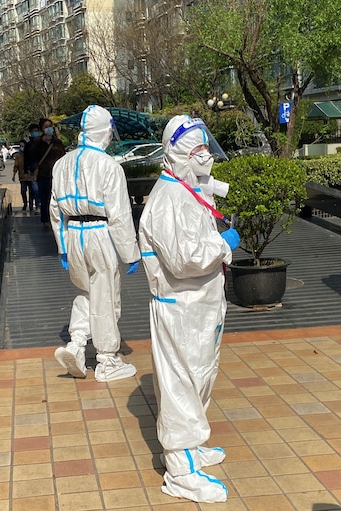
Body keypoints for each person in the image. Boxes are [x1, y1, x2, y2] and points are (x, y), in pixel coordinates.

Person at [138, 114, 238, 503]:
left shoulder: (185, 188)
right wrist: (225, 242)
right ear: (178, 154)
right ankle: (180, 469)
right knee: (181, 381)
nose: (207, 155)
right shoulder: (169, 199)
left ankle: (192, 446)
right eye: (199, 149)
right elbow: (185, 259)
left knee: (200, 375)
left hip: (200, 304)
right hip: (181, 305)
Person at [50, 105, 141, 382]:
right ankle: (107, 360)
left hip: (73, 233)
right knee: (106, 296)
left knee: (87, 292)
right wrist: (131, 252)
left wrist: (62, 245)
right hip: (99, 233)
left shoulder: (62, 163)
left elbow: (55, 209)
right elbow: (120, 215)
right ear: (105, 131)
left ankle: (76, 343)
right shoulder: (109, 166)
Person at [32, 119, 66, 228]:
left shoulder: (57, 142)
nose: (49, 128)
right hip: (44, 175)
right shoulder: (37, 143)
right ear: (42, 129)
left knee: (58, 197)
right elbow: (32, 158)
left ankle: (59, 218)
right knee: (45, 198)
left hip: (57, 175)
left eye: (50, 126)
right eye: (46, 126)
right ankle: (46, 220)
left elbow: (63, 156)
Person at [12, 138, 37, 212]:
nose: (22, 147)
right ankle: (25, 203)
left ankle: (31, 205)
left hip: (30, 176)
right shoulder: (18, 156)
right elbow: (16, 166)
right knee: (23, 191)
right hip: (22, 177)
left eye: (23, 146)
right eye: (20, 146)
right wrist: (13, 175)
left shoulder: (30, 155)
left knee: (32, 191)